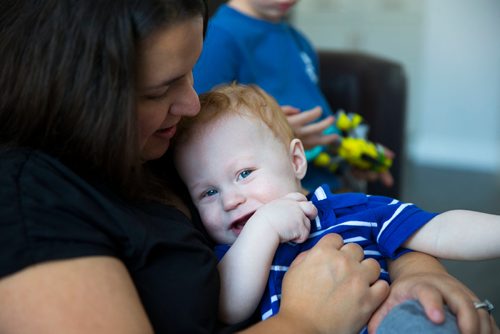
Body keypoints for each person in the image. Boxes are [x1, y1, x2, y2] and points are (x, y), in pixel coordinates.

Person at [0, 1, 495, 334]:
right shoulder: (34, 202)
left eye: (192, 72)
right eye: (160, 89)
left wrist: (414, 269)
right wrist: (305, 320)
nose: (191, 105)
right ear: (80, 91)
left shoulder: (158, 147)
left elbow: (407, 225)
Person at [172, 83, 500, 332]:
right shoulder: (229, 256)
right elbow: (229, 307)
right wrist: (264, 227)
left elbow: (440, 230)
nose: (230, 200)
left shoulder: (350, 209)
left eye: (245, 174)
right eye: (209, 192)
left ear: (296, 161)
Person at [192, 0, 394, 192]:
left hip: (326, 184)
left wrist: (349, 158)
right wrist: (277, 134)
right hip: (282, 194)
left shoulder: (298, 40)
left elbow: (320, 119)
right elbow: (199, 133)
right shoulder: (219, 37)